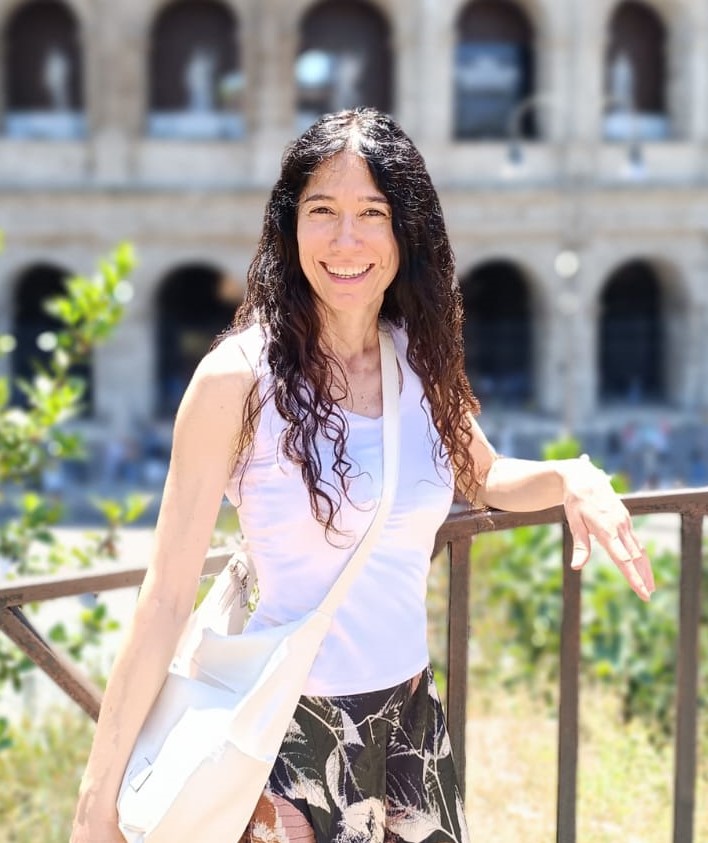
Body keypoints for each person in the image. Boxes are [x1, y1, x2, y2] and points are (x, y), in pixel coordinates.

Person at [70, 108, 654, 843]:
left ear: (405, 232)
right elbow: (164, 599)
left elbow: (489, 472)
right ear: (290, 227)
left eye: (371, 213)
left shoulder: (416, 358)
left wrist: (573, 476)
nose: (346, 240)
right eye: (323, 211)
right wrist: (96, 805)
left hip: (411, 731)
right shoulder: (237, 379)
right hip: (284, 743)